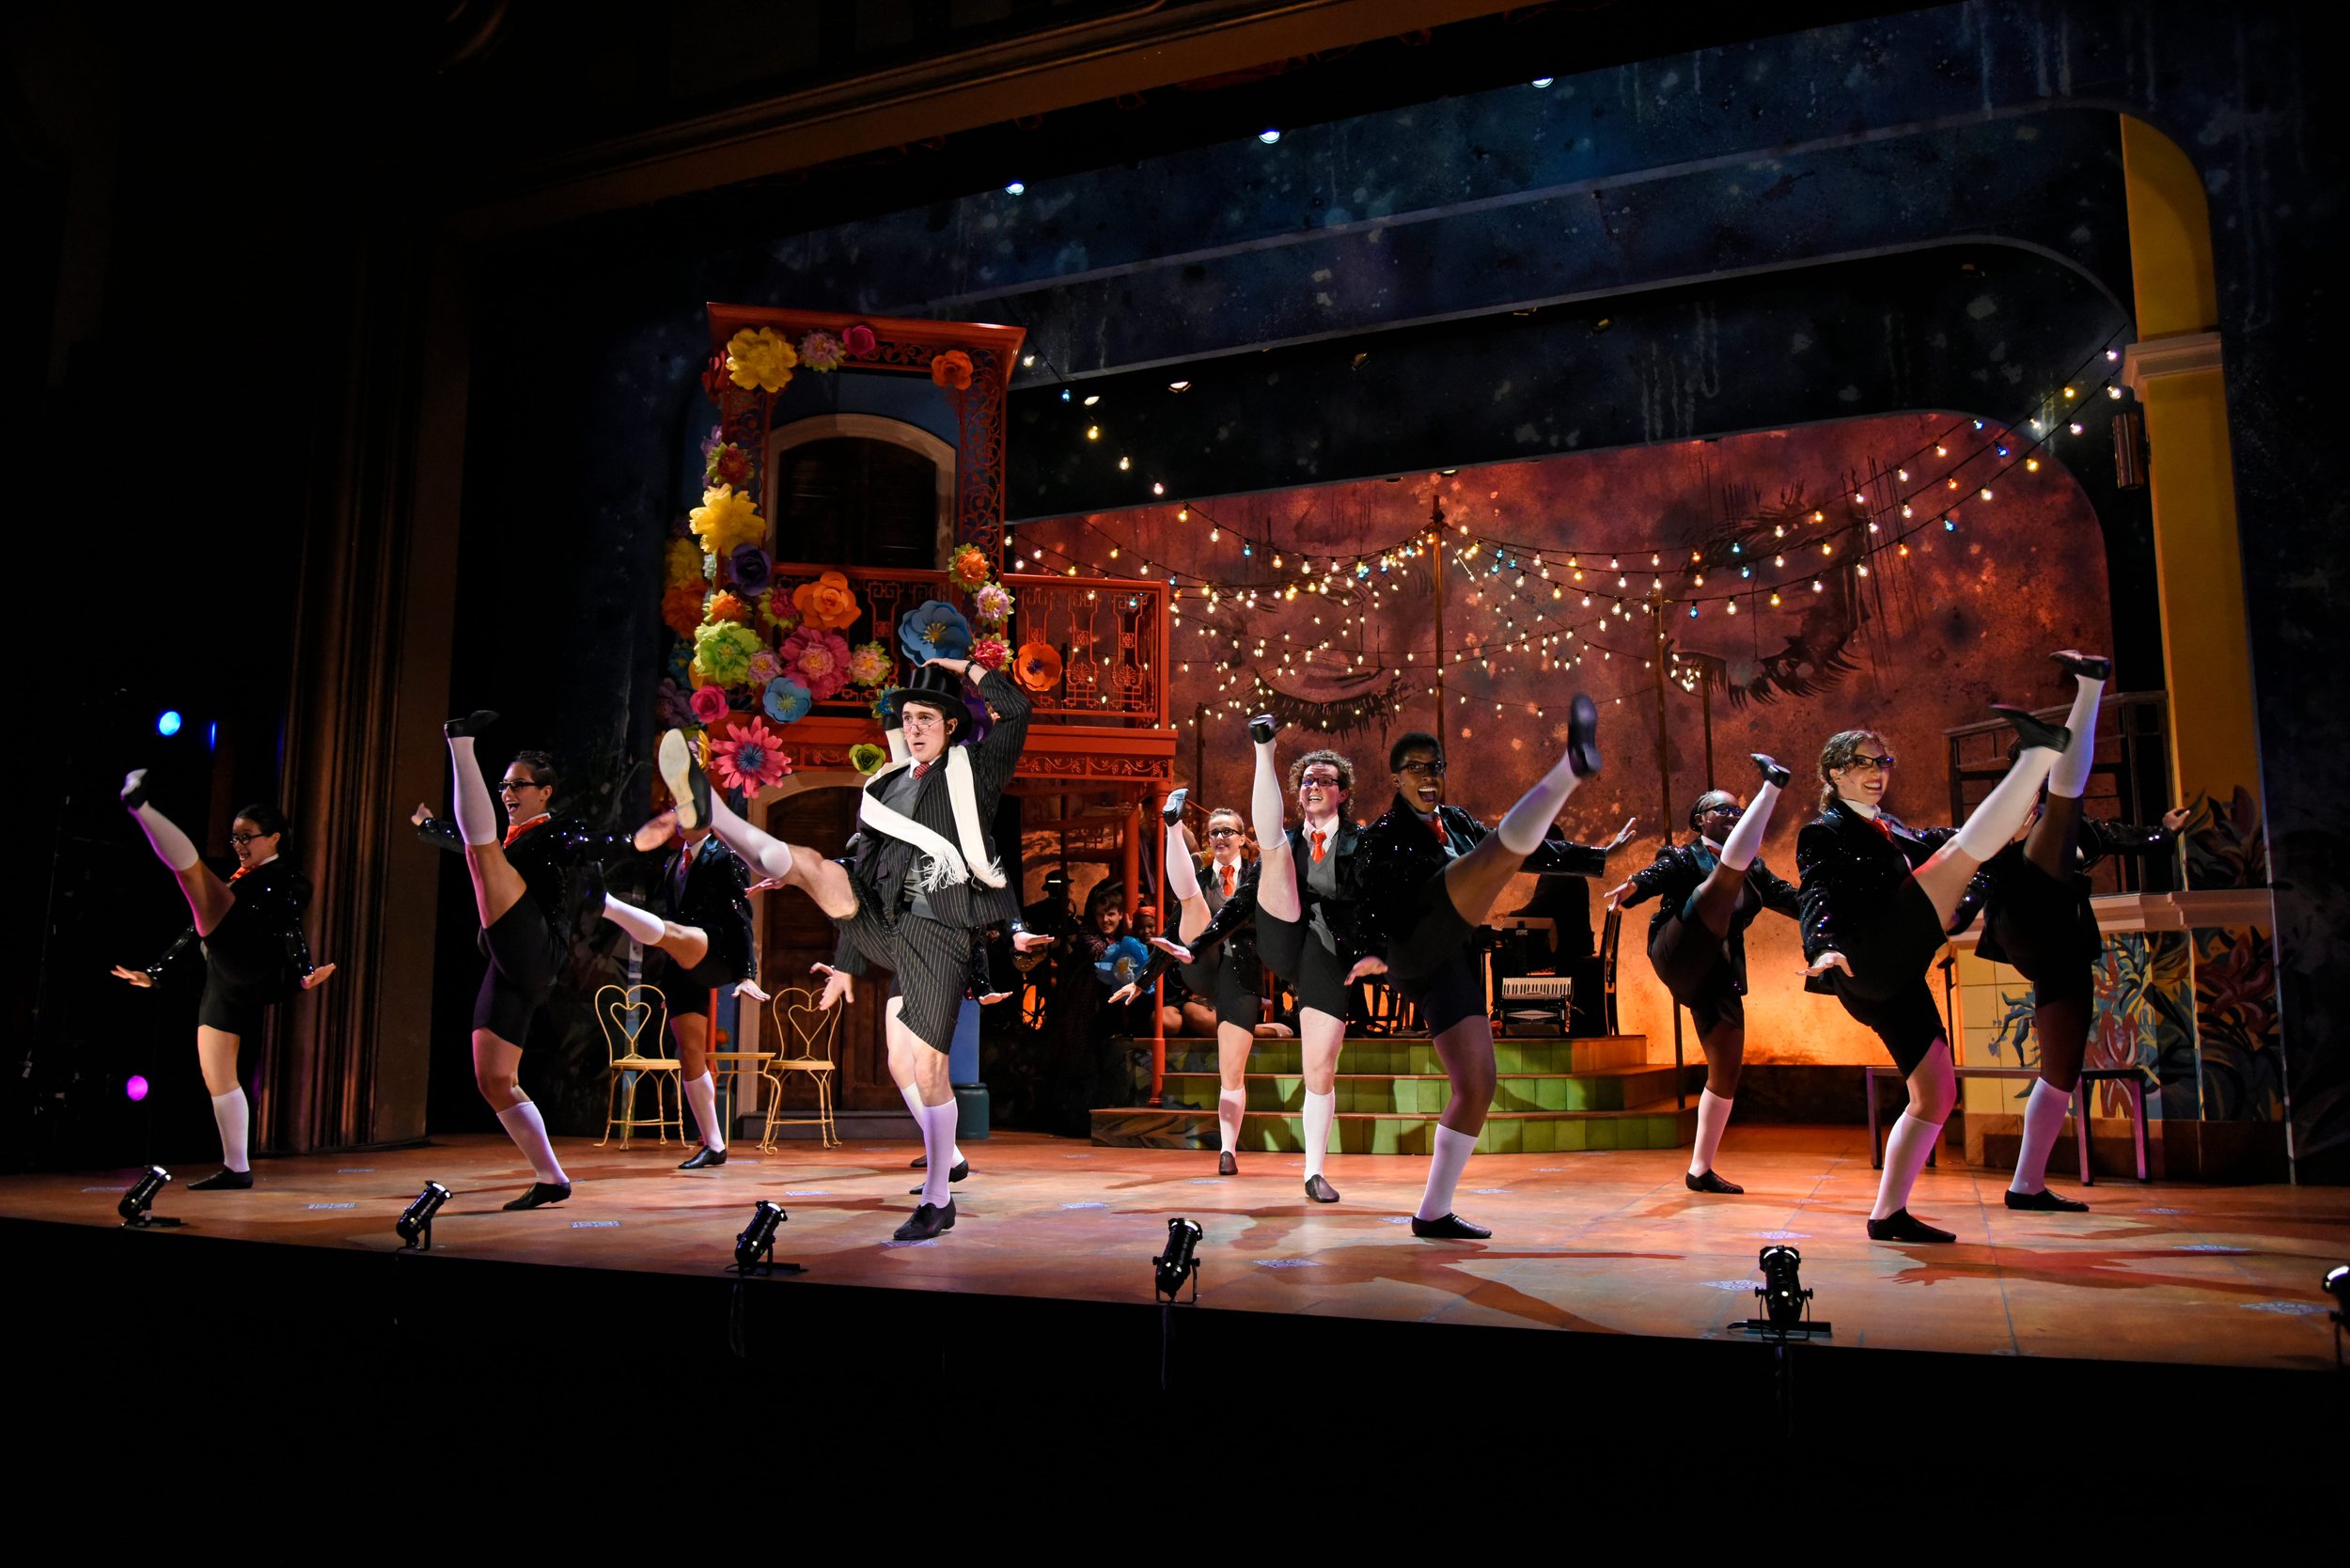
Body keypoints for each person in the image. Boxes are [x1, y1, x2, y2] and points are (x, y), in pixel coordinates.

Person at [674, 654, 1032, 1241]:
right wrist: (845, 961)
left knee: (927, 1067)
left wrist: (961, 665)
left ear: (949, 727)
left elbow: (1017, 708)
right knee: (817, 866)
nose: (915, 727)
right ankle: (717, 814)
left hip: (939, 928)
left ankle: (940, 1198)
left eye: (927, 718)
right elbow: (861, 871)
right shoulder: (885, 786)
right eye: (909, 718)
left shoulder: (974, 771)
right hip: (883, 920)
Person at [1797, 684, 2075, 1244]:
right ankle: (2037, 754)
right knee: (1960, 856)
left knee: (1936, 1093)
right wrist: (1820, 946)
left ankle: (1888, 1215)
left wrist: (2010, 834)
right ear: (1832, 774)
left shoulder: (1893, 827)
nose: (1877, 772)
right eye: (1861, 764)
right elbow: (1816, 893)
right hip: (1867, 953)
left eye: (1883, 762)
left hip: (1901, 971)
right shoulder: (1822, 832)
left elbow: (1954, 841)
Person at [1350, 712, 1618, 1238]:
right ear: (1395, 778)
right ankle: (1569, 766)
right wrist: (1370, 951)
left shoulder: (1457, 820)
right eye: (1416, 768)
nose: (1429, 777)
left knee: (1477, 1085)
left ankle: (1432, 1212)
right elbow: (1366, 903)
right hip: (1411, 943)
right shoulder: (1381, 837)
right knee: (1492, 855)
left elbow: (1535, 850)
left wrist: (1598, 857)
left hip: (1447, 957)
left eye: (1437, 767)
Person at [1973, 652, 2186, 1211]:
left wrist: (2162, 832)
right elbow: (1967, 855)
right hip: (2026, 914)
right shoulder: (2012, 818)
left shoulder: (2074, 829)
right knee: (2065, 806)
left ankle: (2027, 1183)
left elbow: (2124, 836)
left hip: (2055, 946)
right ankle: (2090, 685)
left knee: (2061, 1071)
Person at [1167, 726, 1365, 1203]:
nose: (1314, 786)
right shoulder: (1286, 844)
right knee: (1275, 852)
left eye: (1325, 780)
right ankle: (1265, 749)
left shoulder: (1364, 843)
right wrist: (1198, 946)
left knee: (1319, 1068)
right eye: (1306, 781)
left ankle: (1314, 1173)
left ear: (1342, 793)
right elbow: (1237, 908)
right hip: (1279, 938)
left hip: (1325, 954)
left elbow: (1378, 906)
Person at [113, 780, 335, 1190]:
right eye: (234, 837)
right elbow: (196, 931)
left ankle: (140, 805)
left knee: (192, 875)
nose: (239, 844)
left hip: (250, 956)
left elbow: (289, 926)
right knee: (215, 1071)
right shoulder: (238, 878)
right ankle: (237, 1167)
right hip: (224, 973)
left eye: (247, 837)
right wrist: (156, 972)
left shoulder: (288, 879)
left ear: (273, 838)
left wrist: (304, 969)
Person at [1604, 759, 1799, 1195]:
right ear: (1699, 820)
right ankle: (1773, 789)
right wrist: (1635, 884)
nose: (1730, 815)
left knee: (1727, 1065)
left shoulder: (1759, 869)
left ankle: (1700, 1168)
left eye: (1736, 811)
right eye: (1721, 810)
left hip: (1715, 969)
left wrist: (1834, 920)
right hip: (1679, 947)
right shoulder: (1681, 854)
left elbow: (1793, 900)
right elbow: (1660, 875)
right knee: (1715, 889)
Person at [598, 815, 763, 1168]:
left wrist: (747, 973)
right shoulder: (675, 861)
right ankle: (714, 1145)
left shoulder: (725, 856)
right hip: (682, 960)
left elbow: (741, 917)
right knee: (688, 1051)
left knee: (675, 932)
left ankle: (607, 905)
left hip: (713, 948)